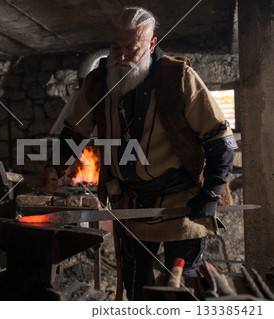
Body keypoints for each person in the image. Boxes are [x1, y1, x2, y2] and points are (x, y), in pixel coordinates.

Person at [36, 6, 237, 300]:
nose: (120, 56)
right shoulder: (97, 82)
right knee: (137, 287)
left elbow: (220, 139)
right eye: (115, 46)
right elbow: (74, 133)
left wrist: (212, 192)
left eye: (132, 48)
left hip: (183, 203)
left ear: (151, 44)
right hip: (130, 204)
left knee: (180, 289)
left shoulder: (178, 77)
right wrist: (55, 167)